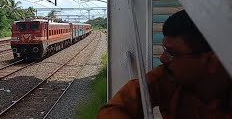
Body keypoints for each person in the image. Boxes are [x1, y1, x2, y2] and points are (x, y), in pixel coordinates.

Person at [97, 10, 232, 118]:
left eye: (172, 53)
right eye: (165, 50)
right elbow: (114, 109)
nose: (162, 58)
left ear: (211, 61)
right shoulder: (167, 78)